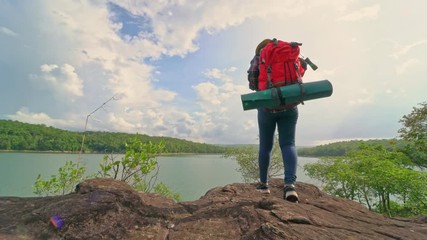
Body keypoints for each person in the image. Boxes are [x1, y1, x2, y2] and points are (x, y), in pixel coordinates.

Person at [247, 39, 307, 202]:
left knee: (265, 147)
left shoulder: (259, 58)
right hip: (290, 106)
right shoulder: (289, 53)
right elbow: (300, 74)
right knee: (288, 144)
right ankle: (289, 186)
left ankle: (264, 184)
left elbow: (252, 83)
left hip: (267, 108)